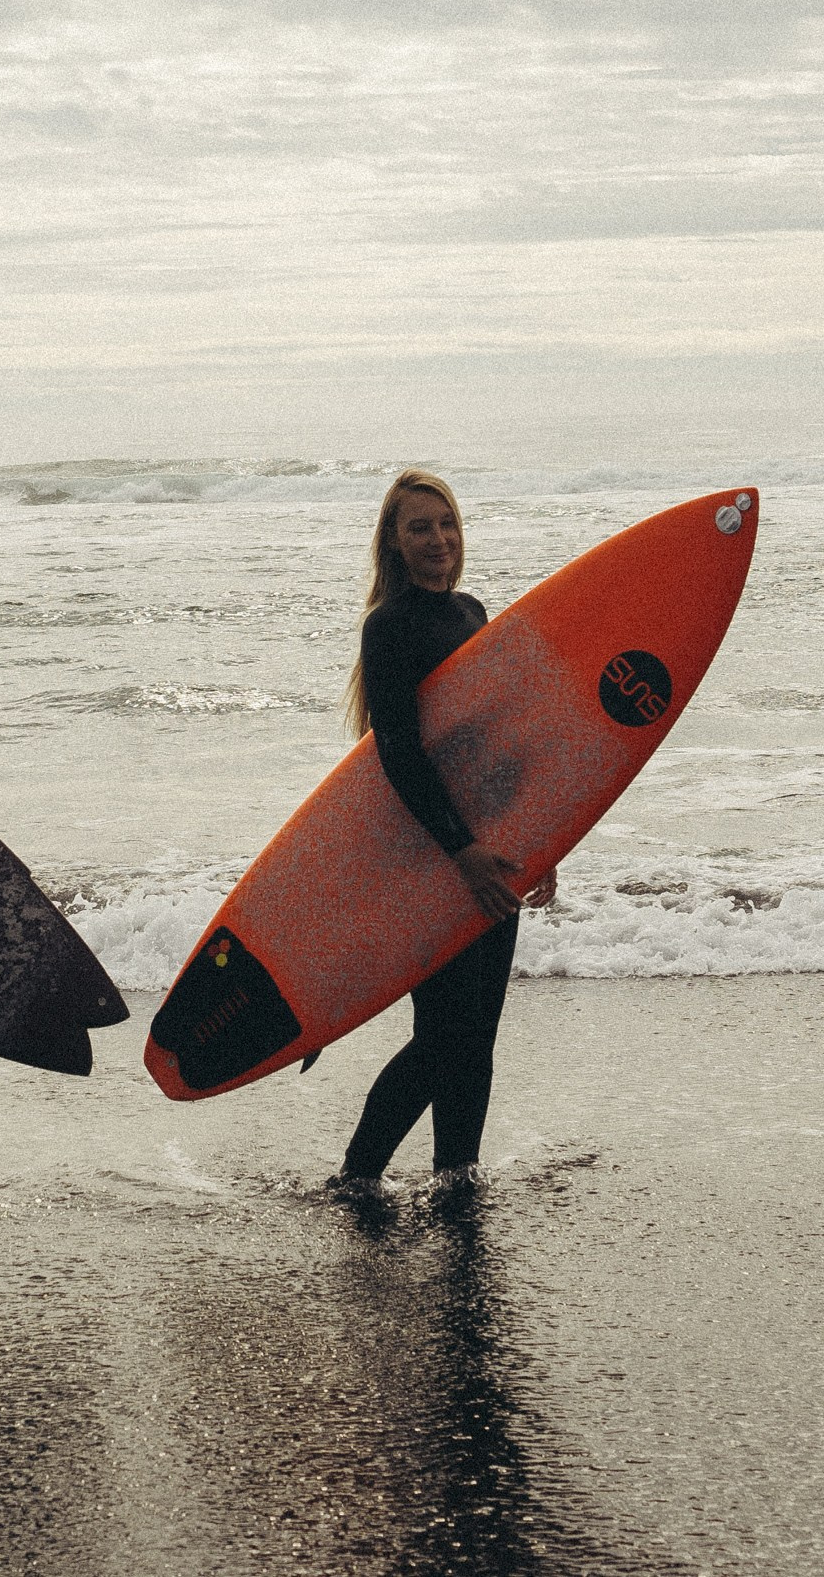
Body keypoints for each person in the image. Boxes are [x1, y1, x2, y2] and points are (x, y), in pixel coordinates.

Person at [335, 470, 556, 1186]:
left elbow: (498, 746)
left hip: (489, 850)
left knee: (477, 1033)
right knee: (441, 1036)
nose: (439, 541)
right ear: (394, 543)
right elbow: (399, 750)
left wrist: (544, 838)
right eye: (420, 527)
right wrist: (459, 851)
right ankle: (358, 1174)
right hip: (431, 853)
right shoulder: (389, 628)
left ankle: (456, 1170)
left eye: (447, 525)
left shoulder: (472, 612)